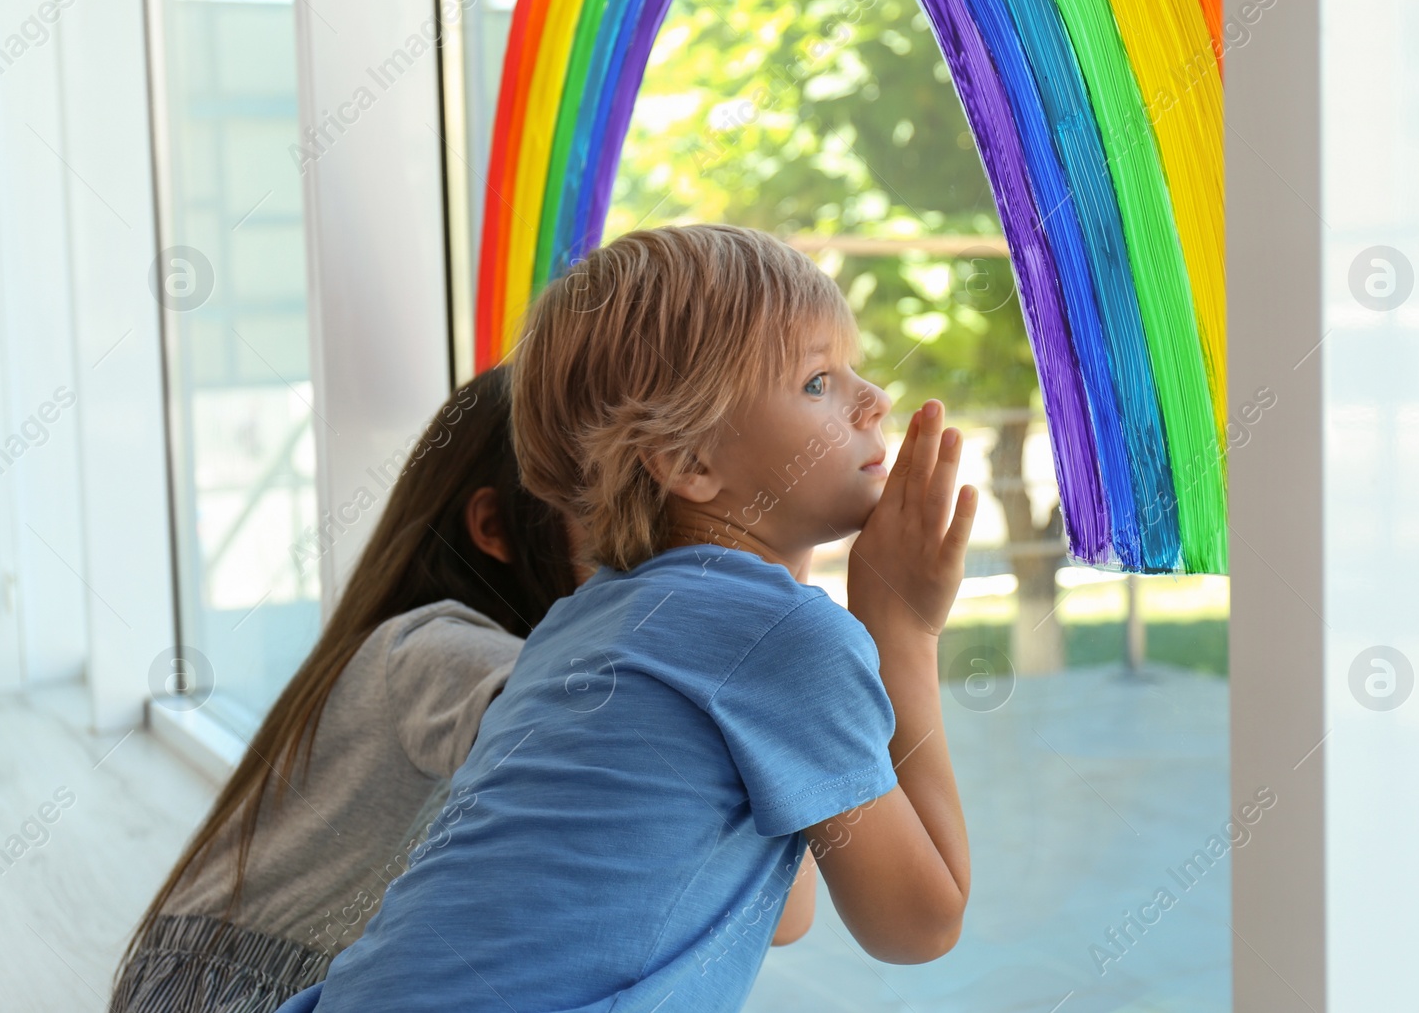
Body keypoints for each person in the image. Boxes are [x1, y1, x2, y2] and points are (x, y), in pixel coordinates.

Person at [277, 224, 978, 1013]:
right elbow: (920, 922)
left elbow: (786, 909)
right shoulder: (779, 640)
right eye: (819, 380)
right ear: (689, 463)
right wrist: (904, 630)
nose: (873, 398)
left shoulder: (579, 622)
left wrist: (788, 566)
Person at [110, 365, 590, 1013]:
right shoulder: (437, 648)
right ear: (494, 527)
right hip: (235, 992)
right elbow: (591, 738)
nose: (639, 527)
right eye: (598, 494)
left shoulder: (404, 642)